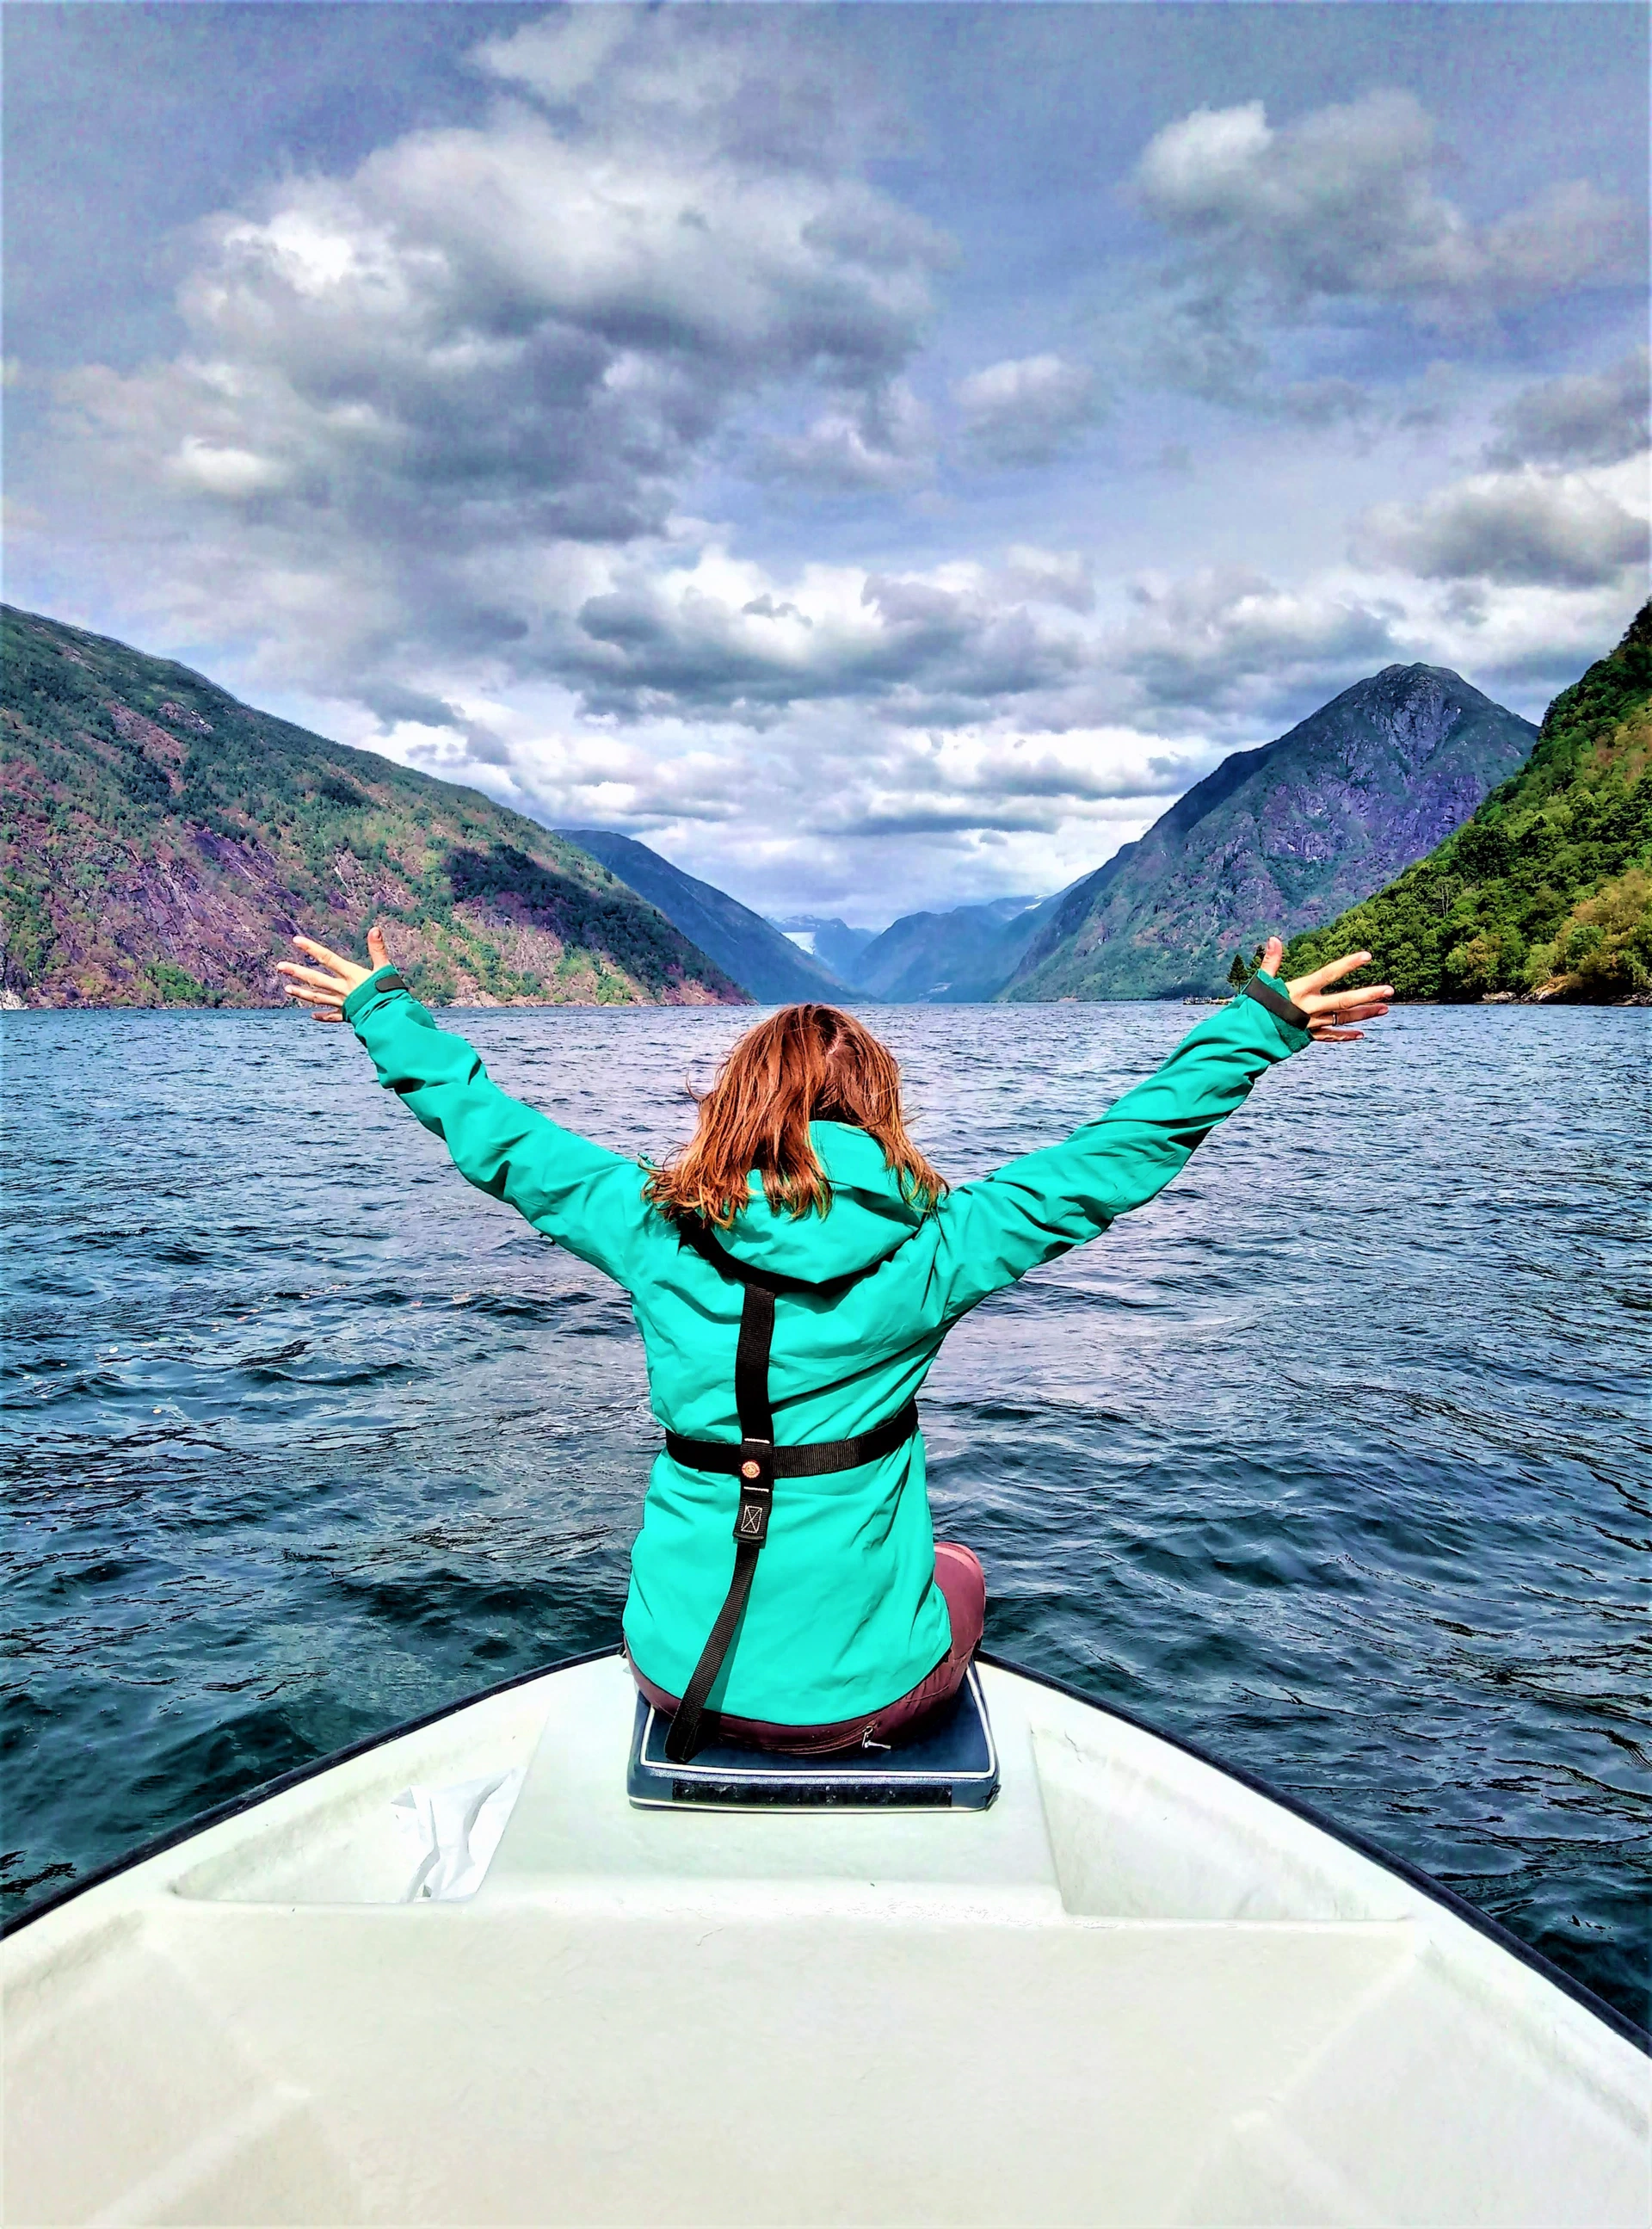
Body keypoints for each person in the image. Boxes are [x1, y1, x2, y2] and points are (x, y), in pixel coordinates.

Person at [279, 925, 1389, 1757]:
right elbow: (1111, 1156)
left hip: (673, 1676)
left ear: (734, 1105)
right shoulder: (942, 1249)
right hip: (860, 1705)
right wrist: (1256, 1027)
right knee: (960, 1571)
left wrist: (384, 1013)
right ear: (878, 1109)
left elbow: (501, 1135)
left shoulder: (649, 1228)